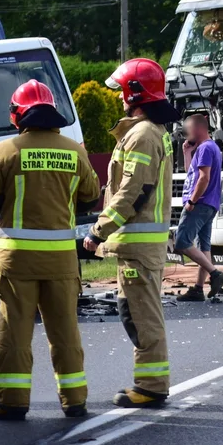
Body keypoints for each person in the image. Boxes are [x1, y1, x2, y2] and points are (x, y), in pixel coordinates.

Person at [0, 80, 101, 421]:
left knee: (15, 331)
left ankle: (13, 402)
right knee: (65, 330)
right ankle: (74, 400)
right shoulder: (74, 151)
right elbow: (91, 196)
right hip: (61, 260)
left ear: (18, 115)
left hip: (18, 262)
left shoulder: (5, 151)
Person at [82, 58, 181, 408]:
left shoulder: (140, 134)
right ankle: (151, 381)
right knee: (136, 313)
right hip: (140, 245)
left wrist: (98, 230)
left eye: (121, 91)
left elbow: (132, 191)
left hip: (137, 245)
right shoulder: (152, 132)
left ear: (133, 92)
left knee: (142, 316)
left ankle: (152, 385)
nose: (118, 98)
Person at [176, 114, 223, 302]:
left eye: (188, 128)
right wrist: (187, 153)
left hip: (199, 203)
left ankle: (215, 274)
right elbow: (191, 172)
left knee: (182, 242)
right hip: (209, 204)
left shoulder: (206, 148)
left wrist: (192, 201)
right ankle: (198, 289)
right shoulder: (207, 148)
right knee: (203, 246)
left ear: (199, 128)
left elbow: (204, 178)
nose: (185, 133)